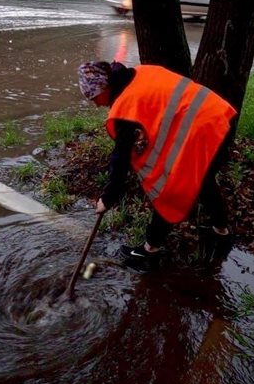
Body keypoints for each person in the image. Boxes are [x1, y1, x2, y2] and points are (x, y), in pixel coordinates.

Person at [77, 60, 237, 262]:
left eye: (93, 97)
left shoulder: (126, 107)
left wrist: (108, 198)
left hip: (203, 129)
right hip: (219, 116)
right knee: (203, 179)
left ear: (105, 87)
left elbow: (121, 159)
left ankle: (151, 250)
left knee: (169, 188)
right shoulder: (140, 72)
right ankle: (221, 231)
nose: (95, 103)